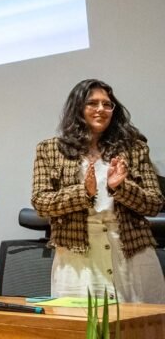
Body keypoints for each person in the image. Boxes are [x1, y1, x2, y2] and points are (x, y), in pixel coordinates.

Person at [32, 79, 165, 303]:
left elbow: (154, 203)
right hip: (77, 253)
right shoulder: (50, 149)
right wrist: (83, 193)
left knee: (140, 328)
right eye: (92, 103)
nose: (101, 109)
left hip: (131, 250)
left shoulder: (134, 148)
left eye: (107, 104)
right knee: (81, 328)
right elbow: (41, 202)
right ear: (78, 108)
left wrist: (121, 188)